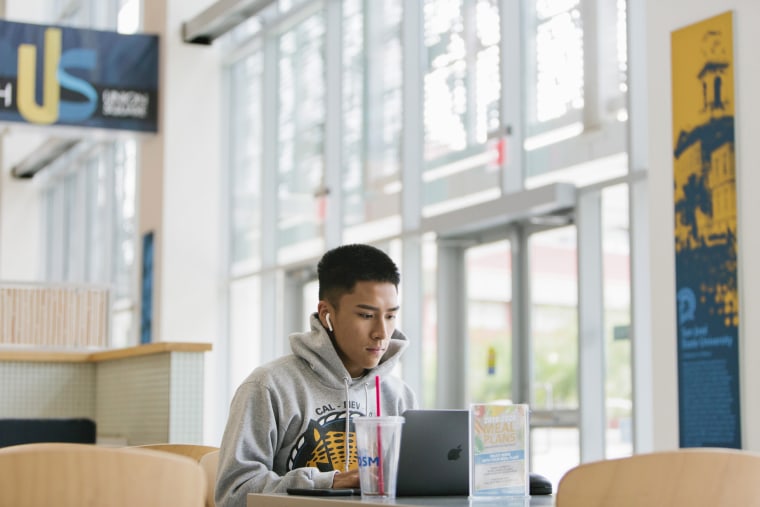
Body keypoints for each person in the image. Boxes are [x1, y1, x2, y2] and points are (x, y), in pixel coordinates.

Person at [215, 243, 418, 507]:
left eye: (390, 316)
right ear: (326, 314)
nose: (382, 332)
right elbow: (233, 494)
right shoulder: (268, 387)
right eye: (367, 315)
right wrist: (329, 482)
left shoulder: (400, 397)